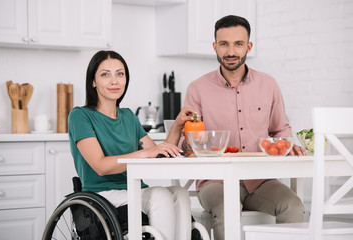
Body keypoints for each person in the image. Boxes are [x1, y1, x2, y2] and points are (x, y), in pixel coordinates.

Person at [181, 15, 307, 240]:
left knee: (293, 205)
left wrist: (288, 144)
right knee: (227, 208)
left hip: (259, 179)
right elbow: (187, 143)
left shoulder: (268, 85)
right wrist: (192, 141)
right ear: (214, 47)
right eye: (224, 44)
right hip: (215, 181)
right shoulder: (197, 89)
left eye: (238, 44)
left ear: (249, 46)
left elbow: (281, 129)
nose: (231, 51)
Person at [68, 50, 195, 240]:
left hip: (134, 189)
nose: (114, 81)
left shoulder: (128, 117)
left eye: (120, 74)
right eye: (105, 74)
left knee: (180, 193)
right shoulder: (80, 116)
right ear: (93, 81)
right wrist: (147, 153)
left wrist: (177, 125)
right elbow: (100, 166)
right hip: (103, 193)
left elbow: (158, 154)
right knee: (160, 195)